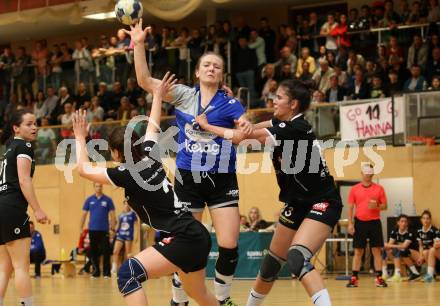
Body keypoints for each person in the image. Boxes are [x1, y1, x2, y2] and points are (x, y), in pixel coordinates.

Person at [125, 19, 252, 306]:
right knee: (184, 245)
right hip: (187, 178)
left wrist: (244, 126)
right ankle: (178, 298)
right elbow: (145, 81)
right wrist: (139, 44)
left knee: (230, 245)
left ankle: (223, 298)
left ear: (221, 75)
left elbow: (242, 127)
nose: (211, 68)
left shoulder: (230, 102)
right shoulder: (183, 95)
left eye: (216, 66)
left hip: (222, 178)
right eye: (206, 65)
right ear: (197, 72)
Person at [72, 72, 219, 306]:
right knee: (198, 294)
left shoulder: (125, 172)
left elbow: (83, 169)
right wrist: (158, 96)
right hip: (196, 234)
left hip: (183, 237)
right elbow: (152, 125)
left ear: (117, 153)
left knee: (128, 274)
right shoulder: (151, 154)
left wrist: (80, 138)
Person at [195, 79, 343, 306]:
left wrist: (208, 126)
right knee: (271, 263)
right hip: (296, 202)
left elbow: (242, 135)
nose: (274, 100)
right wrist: (231, 103)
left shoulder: (295, 128)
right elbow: (248, 127)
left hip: (322, 202)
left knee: (296, 258)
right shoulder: (281, 123)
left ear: (293, 104)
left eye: (280, 98)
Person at [0, 109, 50, 306]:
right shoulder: (23, 145)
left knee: (4, 267)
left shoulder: (9, 147)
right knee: (21, 266)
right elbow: (23, 179)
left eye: (35, 123)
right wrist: (37, 209)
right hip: (12, 207)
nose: (34, 127)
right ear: (16, 128)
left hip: (2, 206)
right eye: (29, 124)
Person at [346, 163, 388, 288]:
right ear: (362, 173)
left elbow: (385, 206)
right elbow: (350, 207)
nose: (368, 175)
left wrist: (377, 206)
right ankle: (354, 278)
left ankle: (379, 277)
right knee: (358, 251)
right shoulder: (354, 189)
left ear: (372, 174)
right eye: (366, 172)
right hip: (360, 222)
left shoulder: (379, 188)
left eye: (370, 173)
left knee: (376, 250)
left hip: (375, 222)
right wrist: (350, 224)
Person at [79, 183, 116, 278]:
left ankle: (106, 273)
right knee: (94, 251)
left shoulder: (108, 200)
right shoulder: (89, 200)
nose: (98, 188)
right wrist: (80, 228)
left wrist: (112, 228)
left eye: (100, 186)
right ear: (94, 187)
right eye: (96, 186)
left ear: (102, 187)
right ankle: (96, 272)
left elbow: (112, 215)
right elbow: (84, 215)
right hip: (92, 230)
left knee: (106, 251)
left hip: (104, 230)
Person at [384, 214, 421, 281]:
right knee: (386, 251)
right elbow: (389, 245)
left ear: (407, 223)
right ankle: (385, 273)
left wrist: (390, 245)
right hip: (403, 254)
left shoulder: (410, 232)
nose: (404, 223)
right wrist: (385, 246)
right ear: (398, 222)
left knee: (402, 250)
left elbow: (404, 246)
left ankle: (411, 273)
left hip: (414, 253)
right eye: (402, 221)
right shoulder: (395, 231)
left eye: (405, 222)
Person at [111, 200, 138, 274]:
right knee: (115, 251)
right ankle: (114, 268)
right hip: (120, 235)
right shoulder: (121, 215)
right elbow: (118, 227)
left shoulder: (133, 214)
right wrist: (113, 231)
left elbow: (136, 226)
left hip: (128, 235)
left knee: (128, 253)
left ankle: (129, 268)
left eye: (128, 204)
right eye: (125, 204)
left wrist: (136, 236)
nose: (126, 206)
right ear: (123, 205)